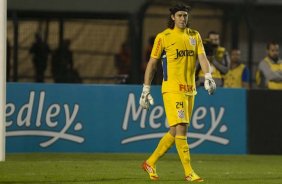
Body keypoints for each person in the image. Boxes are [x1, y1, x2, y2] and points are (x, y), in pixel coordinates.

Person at [139, 3, 216, 182]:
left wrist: (209, 76)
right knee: (182, 128)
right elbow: (152, 63)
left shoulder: (194, 35)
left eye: (185, 15)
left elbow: (202, 58)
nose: (183, 18)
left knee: (175, 131)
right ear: (173, 17)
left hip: (190, 90)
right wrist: (145, 89)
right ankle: (189, 172)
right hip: (172, 89)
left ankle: (150, 162)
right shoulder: (163, 37)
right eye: (180, 15)